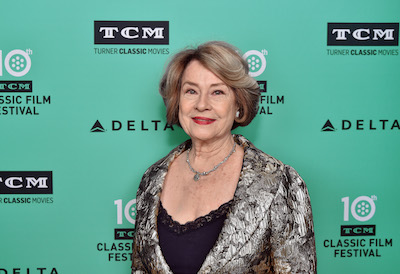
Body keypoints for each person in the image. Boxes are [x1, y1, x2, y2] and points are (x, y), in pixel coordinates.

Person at [131, 41, 316, 273]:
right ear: (177, 101)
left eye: (217, 92)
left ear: (238, 103)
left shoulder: (279, 183)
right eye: (191, 91)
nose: (202, 104)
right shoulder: (151, 180)